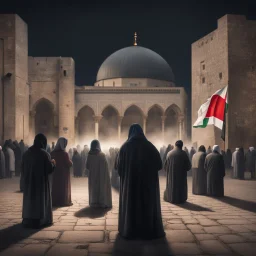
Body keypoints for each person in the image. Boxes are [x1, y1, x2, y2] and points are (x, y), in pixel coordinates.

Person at [116, 124, 165, 240]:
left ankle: (129, 229)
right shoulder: (150, 146)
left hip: (130, 185)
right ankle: (147, 230)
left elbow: (118, 168)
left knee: (131, 206)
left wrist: (128, 174)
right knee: (147, 206)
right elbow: (159, 165)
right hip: (147, 186)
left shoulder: (125, 147)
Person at [21, 133, 56, 228]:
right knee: (40, 201)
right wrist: (53, 163)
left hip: (29, 183)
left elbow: (22, 169)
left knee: (30, 200)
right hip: (41, 184)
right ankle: (40, 219)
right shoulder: (44, 154)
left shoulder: (26, 154)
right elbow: (49, 169)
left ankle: (28, 218)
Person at [86, 140, 112, 208]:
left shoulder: (89, 155)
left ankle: (94, 201)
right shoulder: (102, 155)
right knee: (101, 187)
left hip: (92, 176)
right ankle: (102, 202)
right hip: (101, 176)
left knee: (93, 188)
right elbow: (105, 167)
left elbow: (87, 166)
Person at [50, 137, 73, 207]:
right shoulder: (64, 154)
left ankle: (55, 201)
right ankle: (63, 201)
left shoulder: (52, 153)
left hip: (55, 173)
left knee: (55, 186)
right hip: (63, 174)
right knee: (63, 187)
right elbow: (69, 164)